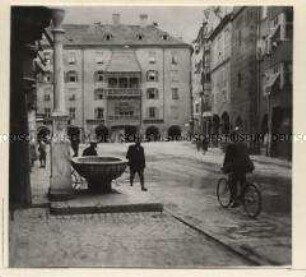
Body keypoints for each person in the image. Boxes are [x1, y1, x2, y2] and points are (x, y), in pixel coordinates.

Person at [222, 127, 254, 207]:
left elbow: (227, 159)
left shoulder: (231, 146)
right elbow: (246, 155)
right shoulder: (244, 144)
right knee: (243, 181)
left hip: (237, 167)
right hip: (247, 166)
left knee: (232, 182)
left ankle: (235, 200)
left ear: (231, 137)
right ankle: (243, 196)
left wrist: (224, 168)